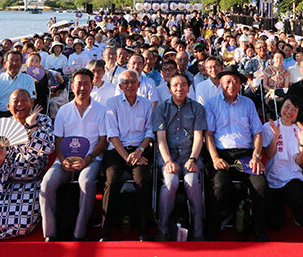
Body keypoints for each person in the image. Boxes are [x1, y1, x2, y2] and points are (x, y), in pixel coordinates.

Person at [40, 69, 107, 241]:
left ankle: (79, 233)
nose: (82, 88)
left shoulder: (101, 110)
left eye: (86, 84)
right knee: (47, 183)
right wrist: (62, 160)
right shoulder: (63, 110)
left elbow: (103, 141)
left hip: (91, 159)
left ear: (92, 86)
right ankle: (51, 233)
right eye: (79, 84)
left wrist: (88, 159)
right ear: (72, 86)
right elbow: (58, 140)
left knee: (86, 182)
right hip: (65, 159)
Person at [204, 65, 269, 242]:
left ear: (240, 84)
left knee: (260, 185)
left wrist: (256, 155)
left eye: (235, 81)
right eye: (227, 81)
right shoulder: (211, 104)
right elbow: (208, 135)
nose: (231, 85)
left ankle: (258, 229)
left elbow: (257, 132)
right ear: (220, 83)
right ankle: (212, 229)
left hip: (246, 155)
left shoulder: (248, 103)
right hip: (222, 153)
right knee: (219, 185)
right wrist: (215, 158)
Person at [0, 89, 54, 241]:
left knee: (22, 224)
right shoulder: (2, 126)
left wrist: (32, 127)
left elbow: (48, 148)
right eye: (16, 101)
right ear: (8, 106)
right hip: (6, 184)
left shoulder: (43, 120)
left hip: (31, 182)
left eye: (24, 101)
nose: (20, 104)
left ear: (31, 103)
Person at [101, 69, 154, 241]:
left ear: (139, 84)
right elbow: (112, 134)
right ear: (120, 86)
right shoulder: (112, 103)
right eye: (126, 82)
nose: (129, 85)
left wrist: (139, 151)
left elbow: (149, 131)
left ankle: (144, 230)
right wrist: (127, 157)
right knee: (112, 180)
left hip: (139, 150)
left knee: (143, 180)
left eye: (133, 82)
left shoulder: (147, 104)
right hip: (117, 151)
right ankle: (105, 230)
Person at [153, 73, 207, 241]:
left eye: (183, 84)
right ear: (169, 89)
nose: (180, 88)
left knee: (192, 183)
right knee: (171, 182)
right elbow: (160, 138)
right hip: (168, 156)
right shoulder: (162, 108)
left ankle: (198, 232)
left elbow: (199, 137)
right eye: (175, 85)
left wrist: (192, 159)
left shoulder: (197, 108)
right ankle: (163, 230)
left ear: (189, 88)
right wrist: (168, 161)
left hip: (190, 155)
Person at [262, 96, 303, 229]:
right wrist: (276, 137)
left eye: (294, 109)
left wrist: (302, 141)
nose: (289, 111)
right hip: (273, 177)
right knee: (275, 225)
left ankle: (297, 210)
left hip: (292, 176)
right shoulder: (269, 127)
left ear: (297, 114)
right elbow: (268, 154)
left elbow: (299, 161)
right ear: (281, 108)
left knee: (295, 195)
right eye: (287, 107)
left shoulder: (301, 131)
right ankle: (280, 204)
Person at [0, 50, 37, 118]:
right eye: (11, 60)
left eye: (17, 60)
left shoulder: (28, 79)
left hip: (20, 114)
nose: (14, 63)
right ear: (4, 64)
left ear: (21, 64)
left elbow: (31, 101)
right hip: (0, 114)